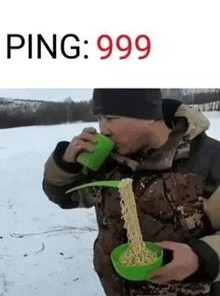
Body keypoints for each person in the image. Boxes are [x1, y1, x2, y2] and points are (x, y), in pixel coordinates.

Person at [43, 89, 220, 296]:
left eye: (111, 118)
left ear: (149, 117)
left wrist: (202, 258)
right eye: (99, 118)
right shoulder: (109, 160)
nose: (103, 129)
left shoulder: (208, 160)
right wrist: (66, 165)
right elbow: (65, 196)